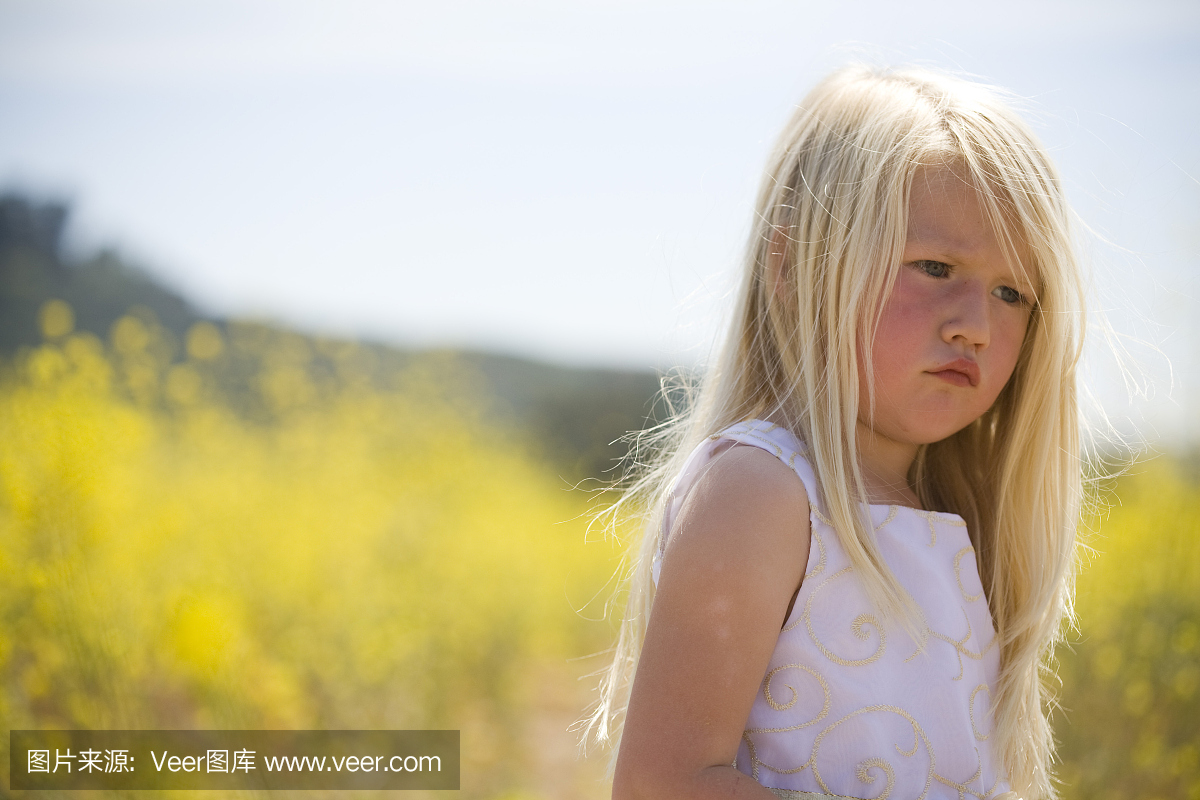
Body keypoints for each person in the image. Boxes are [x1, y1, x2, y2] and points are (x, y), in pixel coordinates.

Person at [584, 65, 1091, 800]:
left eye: (1012, 292)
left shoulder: (947, 517)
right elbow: (663, 784)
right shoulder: (762, 490)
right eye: (935, 266)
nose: (976, 326)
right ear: (794, 268)